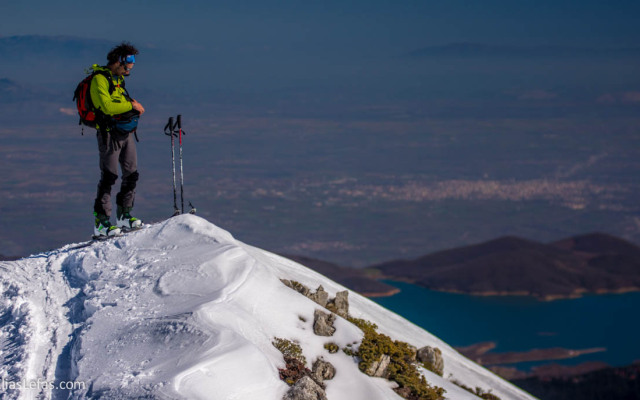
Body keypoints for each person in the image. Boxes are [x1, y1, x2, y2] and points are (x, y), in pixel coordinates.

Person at [90, 42, 146, 237]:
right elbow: (107, 107)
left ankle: (124, 215)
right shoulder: (100, 79)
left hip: (125, 132)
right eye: (128, 63)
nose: (130, 67)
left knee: (131, 174)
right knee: (109, 176)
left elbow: (119, 102)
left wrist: (130, 103)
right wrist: (131, 106)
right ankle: (101, 222)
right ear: (118, 61)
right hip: (108, 134)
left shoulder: (117, 79)